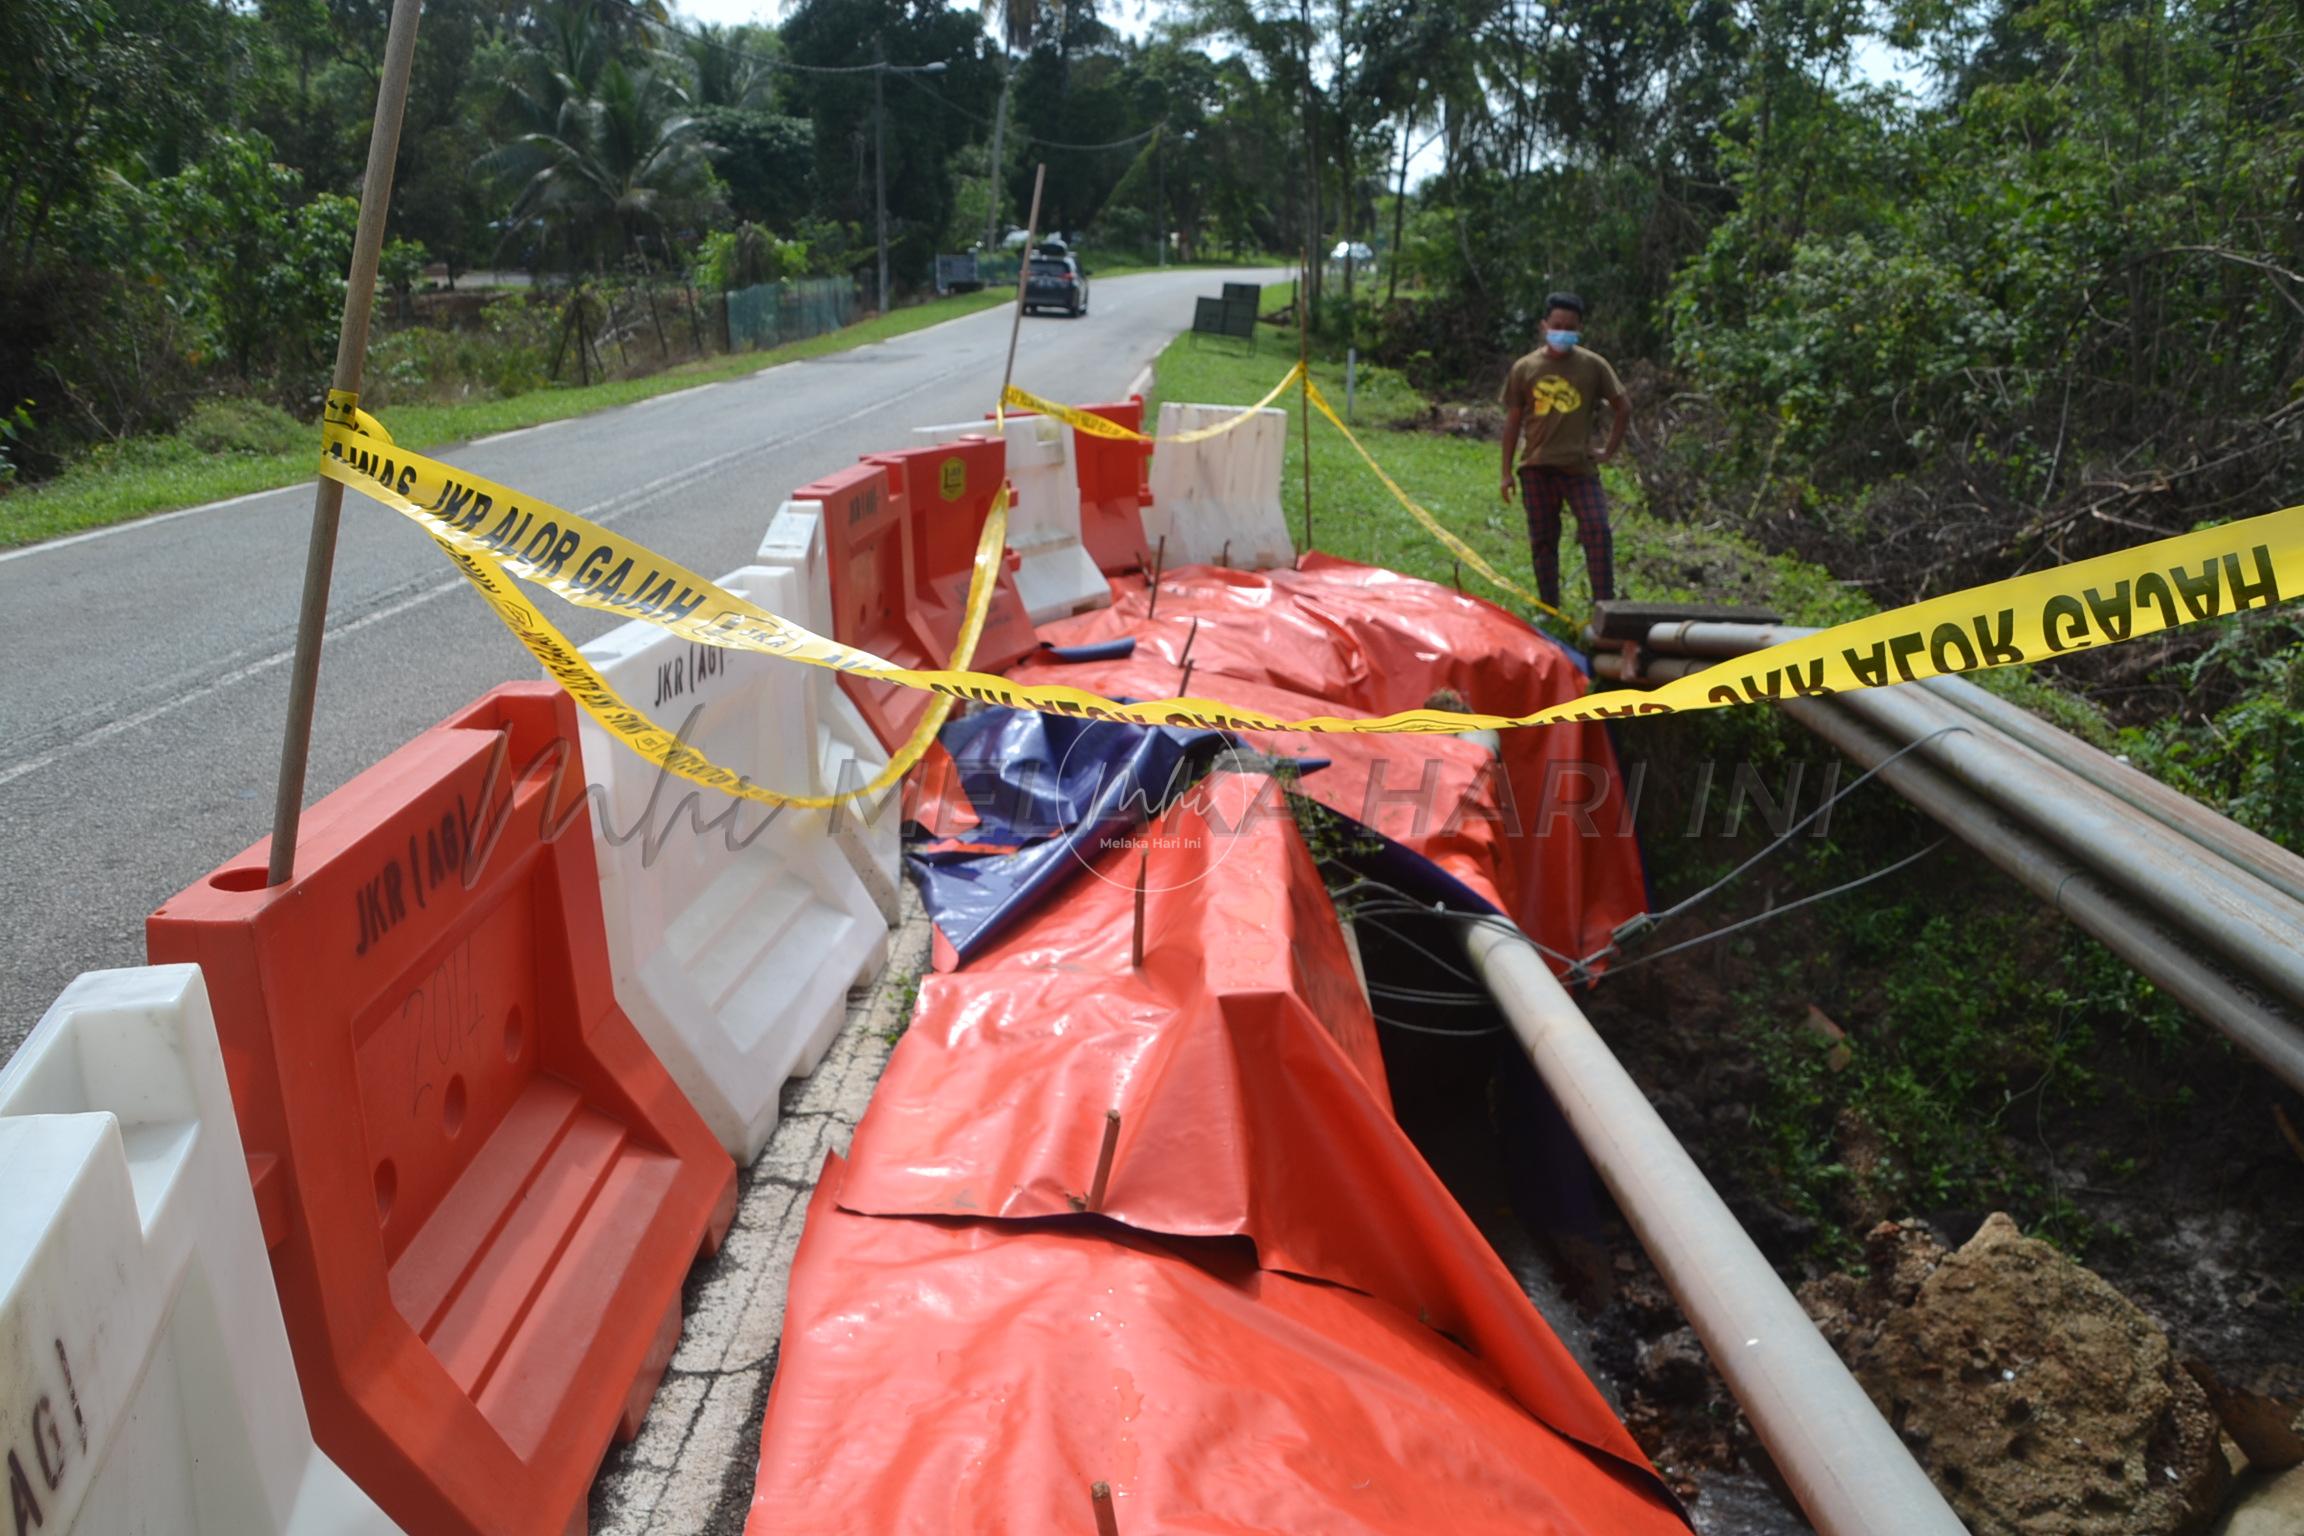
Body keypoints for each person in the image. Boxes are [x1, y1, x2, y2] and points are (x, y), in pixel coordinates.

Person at [1498, 293, 1632, 611]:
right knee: (1543, 541)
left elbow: (1623, 406)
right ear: (1544, 326)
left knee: (1597, 530)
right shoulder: (1525, 368)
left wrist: (1609, 450)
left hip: (1579, 469)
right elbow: (1513, 422)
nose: (1563, 332)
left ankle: (1605, 607)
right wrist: (1505, 473)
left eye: (1570, 328)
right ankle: (1549, 609)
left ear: (1579, 329)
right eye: (1557, 326)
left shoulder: (1593, 366)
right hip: (1536, 467)